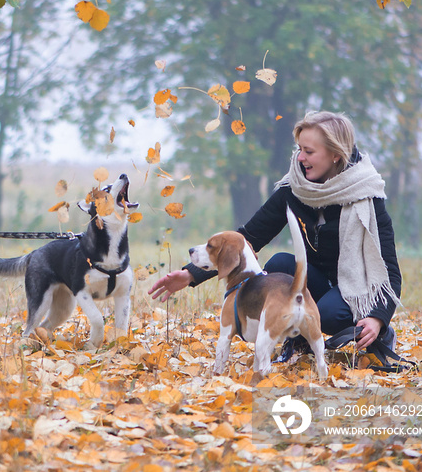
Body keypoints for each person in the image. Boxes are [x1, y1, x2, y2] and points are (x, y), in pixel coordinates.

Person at [149, 111, 401, 354]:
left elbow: (389, 269)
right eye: (299, 149)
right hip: (315, 280)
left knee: (327, 313)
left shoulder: (366, 195)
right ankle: (298, 335)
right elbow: (248, 238)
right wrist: (190, 274)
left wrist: (379, 318)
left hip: (356, 290)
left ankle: (379, 335)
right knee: (279, 263)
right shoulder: (295, 188)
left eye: (309, 151)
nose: (300, 158)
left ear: (335, 155)